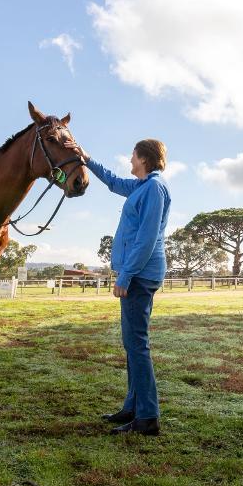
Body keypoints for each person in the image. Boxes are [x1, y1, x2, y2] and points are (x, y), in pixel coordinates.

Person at [83, 139, 172, 436]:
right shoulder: (141, 186)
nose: (130, 160)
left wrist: (125, 276)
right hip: (135, 274)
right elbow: (112, 182)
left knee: (137, 345)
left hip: (140, 276)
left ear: (144, 159)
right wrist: (86, 158)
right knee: (131, 343)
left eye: (133, 156)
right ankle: (133, 407)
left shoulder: (154, 189)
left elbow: (146, 239)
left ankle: (148, 418)